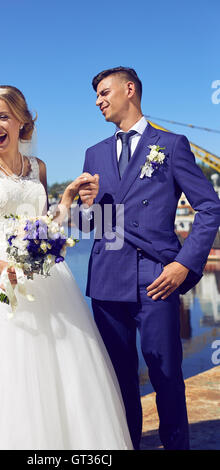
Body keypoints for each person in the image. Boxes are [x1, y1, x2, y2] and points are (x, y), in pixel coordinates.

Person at [0, 85, 133, 450]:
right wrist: (5, 267)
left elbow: (47, 226)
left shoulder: (39, 167)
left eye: (2, 117)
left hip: (45, 280)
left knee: (61, 373)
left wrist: (66, 200)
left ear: (22, 121)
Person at [77, 67, 220, 450]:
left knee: (167, 376)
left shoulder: (171, 145)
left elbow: (209, 207)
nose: (98, 101)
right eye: (95, 96)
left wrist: (184, 264)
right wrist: (85, 208)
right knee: (119, 380)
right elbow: (93, 226)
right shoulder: (94, 153)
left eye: (104, 92)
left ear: (130, 90)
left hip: (156, 276)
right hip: (107, 280)